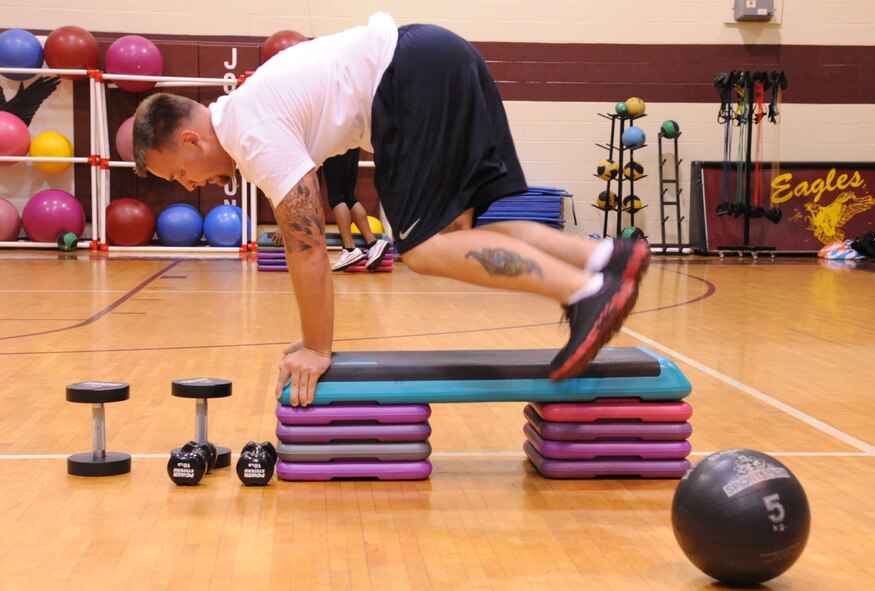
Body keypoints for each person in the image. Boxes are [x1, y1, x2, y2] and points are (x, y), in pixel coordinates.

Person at [131, 12, 650, 406]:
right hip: (439, 56)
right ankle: (605, 257)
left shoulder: (249, 133)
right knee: (471, 224)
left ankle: (585, 293)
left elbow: (308, 247)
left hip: (412, 79)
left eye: (179, 172)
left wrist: (317, 347)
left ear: (192, 139)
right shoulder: (250, 109)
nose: (190, 184)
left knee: (423, 249)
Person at [322, 148, 390, 271]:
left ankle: (349, 249)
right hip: (352, 142)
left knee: (336, 197)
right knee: (349, 196)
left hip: (336, 141)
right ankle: (374, 243)